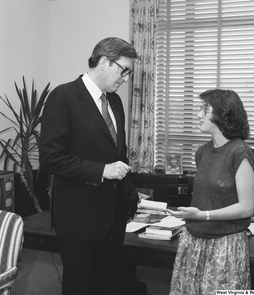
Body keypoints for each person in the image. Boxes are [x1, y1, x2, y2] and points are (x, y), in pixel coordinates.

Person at [39, 37, 139, 295]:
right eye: (124, 70)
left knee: (108, 286)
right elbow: (51, 159)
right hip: (79, 218)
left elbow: (119, 153)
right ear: (105, 62)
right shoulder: (64, 97)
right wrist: (101, 170)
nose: (126, 78)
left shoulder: (114, 102)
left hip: (113, 216)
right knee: (80, 287)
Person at [167, 89, 254, 294]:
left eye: (204, 109)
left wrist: (203, 215)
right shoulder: (202, 152)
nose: (199, 115)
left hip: (225, 246)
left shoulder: (240, 152)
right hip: (193, 241)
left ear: (222, 114)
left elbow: (246, 207)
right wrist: (193, 216)